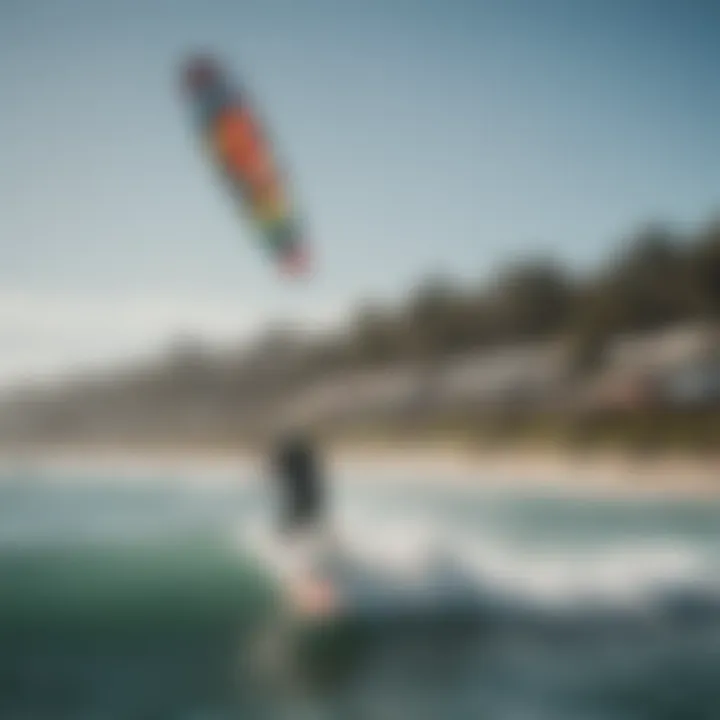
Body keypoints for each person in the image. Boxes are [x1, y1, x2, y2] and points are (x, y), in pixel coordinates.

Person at [271, 429, 325, 537]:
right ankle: (299, 532)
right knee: (304, 507)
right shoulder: (302, 458)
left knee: (303, 507)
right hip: (305, 497)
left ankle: (295, 532)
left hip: (303, 498)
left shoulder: (295, 459)